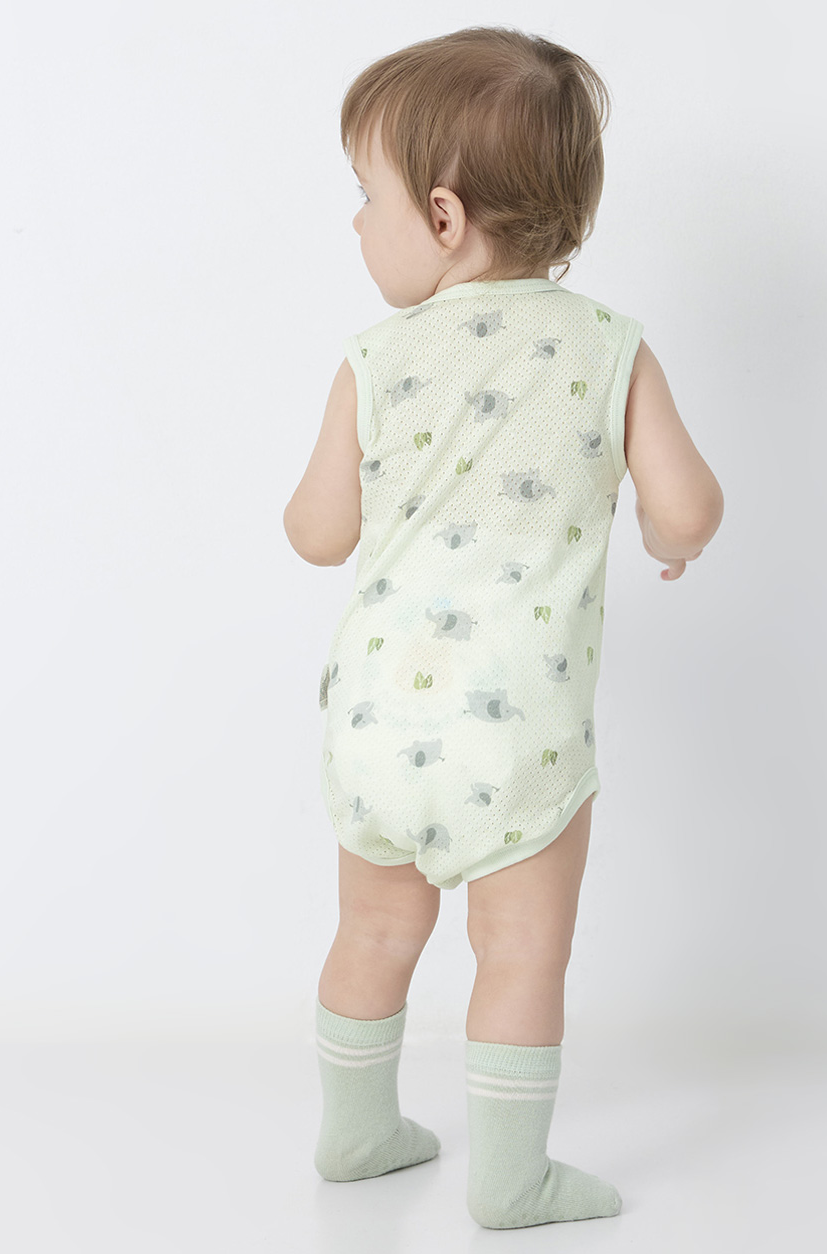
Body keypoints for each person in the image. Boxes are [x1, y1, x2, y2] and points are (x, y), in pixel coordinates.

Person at [283, 24, 723, 1230]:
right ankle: (513, 1179)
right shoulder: (609, 349)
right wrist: (664, 535)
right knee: (519, 950)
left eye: (363, 196)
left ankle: (357, 1131)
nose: (354, 223)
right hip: (517, 729)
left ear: (441, 217)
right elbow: (688, 508)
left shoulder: (371, 361)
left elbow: (316, 535)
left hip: (375, 718)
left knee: (374, 924)